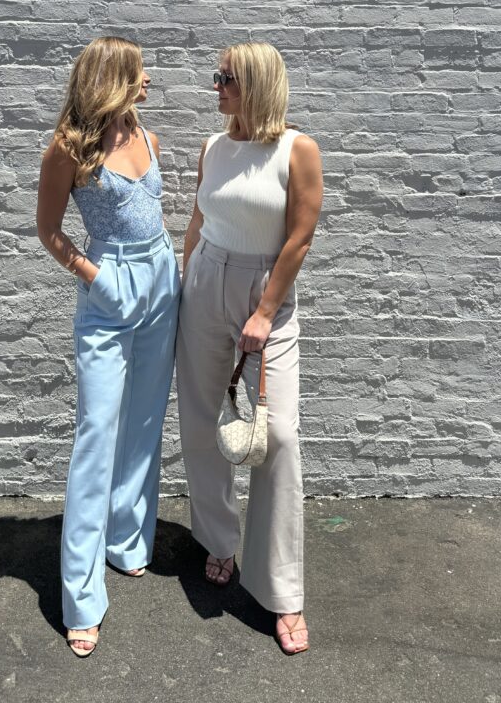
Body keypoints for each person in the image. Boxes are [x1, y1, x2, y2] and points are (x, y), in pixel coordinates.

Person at [176, 41, 323, 656]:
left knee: (278, 436)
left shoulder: (297, 149)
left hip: (266, 292)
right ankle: (219, 541)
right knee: (200, 420)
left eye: (226, 78)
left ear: (257, 83)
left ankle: (282, 591)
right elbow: (198, 220)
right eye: (217, 76)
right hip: (205, 281)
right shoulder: (213, 147)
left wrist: (265, 312)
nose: (216, 86)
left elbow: (300, 237)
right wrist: (183, 281)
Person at [36, 36, 180, 658]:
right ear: (113, 78)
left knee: (145, 422)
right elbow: (48, 230)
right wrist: (98, 278)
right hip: (109, 289)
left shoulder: (144, 132)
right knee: (97, 435)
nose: (148, 80)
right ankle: (82, 597)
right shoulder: (69, 148)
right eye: (139, 71)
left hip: (162, 281)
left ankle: (126, 540)